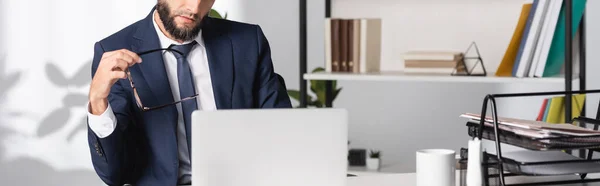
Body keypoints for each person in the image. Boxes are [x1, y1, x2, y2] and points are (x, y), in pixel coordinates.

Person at [86, 0, 292, 185]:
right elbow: (114, 174)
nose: (194, 8)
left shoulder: (247, 42)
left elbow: (280, 132)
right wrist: (97, 101)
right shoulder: (113, 50)